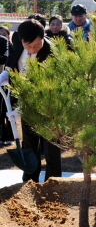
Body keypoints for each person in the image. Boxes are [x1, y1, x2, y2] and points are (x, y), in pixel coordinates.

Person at [2, 19, 62, 182]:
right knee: (29, 142)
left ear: (43, 37)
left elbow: (47, 87)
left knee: (51, 146)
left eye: (37, 45)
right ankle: (30, 179)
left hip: (49, 104)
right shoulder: (16, 40)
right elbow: (14, 59)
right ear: (21, 40)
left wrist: (21, 110)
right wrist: (7, 73)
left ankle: (54, 182)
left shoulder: (52, 52)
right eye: (28, 46)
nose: (32, 50)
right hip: (25, 98)